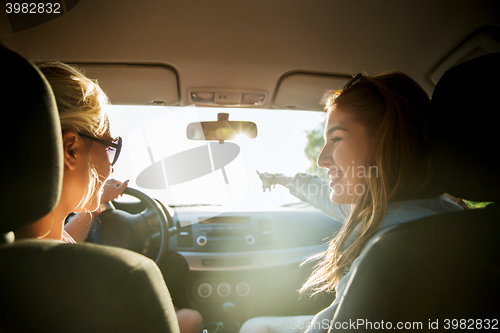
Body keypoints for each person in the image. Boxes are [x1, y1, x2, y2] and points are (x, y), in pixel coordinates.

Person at [242, 71, 466, 333]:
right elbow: (326, 196)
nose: (321, 159)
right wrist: (283, 180)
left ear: (388, 144)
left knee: (254, 326)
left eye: (336, 138)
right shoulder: (453, 216)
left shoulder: (382, 244)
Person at [14, 61, 202, 333]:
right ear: (71, 150)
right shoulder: (126, 278)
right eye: (110, 146)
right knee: (191, 318)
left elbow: (59, 244)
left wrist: (95, 203)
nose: (112, 166)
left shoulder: (23, 248)